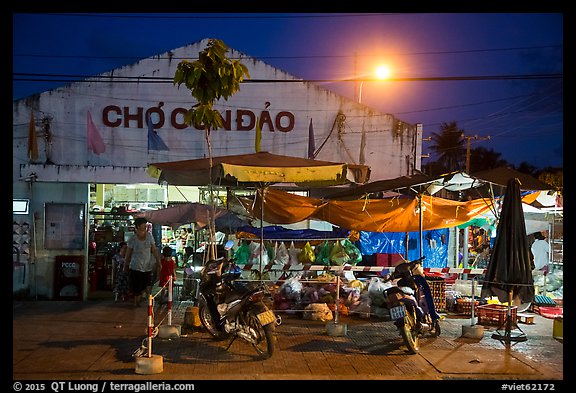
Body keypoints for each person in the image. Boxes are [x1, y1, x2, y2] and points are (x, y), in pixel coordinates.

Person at [124, 217, 161, 306]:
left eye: (145, 226)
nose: (144, 228)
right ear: (137, 227)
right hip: (135, 266)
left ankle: (146, 300)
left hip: (147, 266)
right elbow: (128, 253)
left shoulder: (149, 236)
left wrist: (158, 261)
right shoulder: (133, 239)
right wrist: (125, 265)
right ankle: (136, 302)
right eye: (143, 226)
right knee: (137, 286)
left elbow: (154, 249)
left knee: (147, 284)